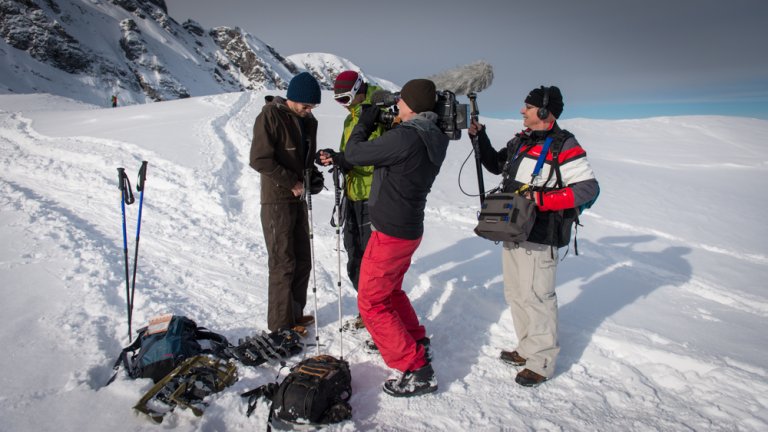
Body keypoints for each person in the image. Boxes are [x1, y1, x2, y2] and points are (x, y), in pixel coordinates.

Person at [320, 79, 448, 397]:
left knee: (371, 302)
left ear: (412, 105)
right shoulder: (434, 135)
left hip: (390, 231)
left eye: (401, 101)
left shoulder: (407, 137)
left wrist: (365, 120)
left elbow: (356, 152)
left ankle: (415, 368)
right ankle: (416, 338)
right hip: (408, 227)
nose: (397, 106)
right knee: (389, 292)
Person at [469, 85, 599, 387]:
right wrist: (480, 138)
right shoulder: (522, 141)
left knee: (538, 297)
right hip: (513, 228)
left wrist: (542, 200)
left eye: (527, 107)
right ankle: (526, 348)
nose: (521, 111)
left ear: (543, 112)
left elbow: (587, 189)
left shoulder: (564, 145)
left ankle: (541, 361)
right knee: (516, 294)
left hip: (541, 233)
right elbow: (495, 164)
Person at [249, 71, 324, 337]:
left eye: (313, 106)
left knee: (303, 259)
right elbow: (260, 159)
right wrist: (292, 182)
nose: (309, 110)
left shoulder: (308, 120)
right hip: (277, 200)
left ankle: (294, 315)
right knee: (283, 262)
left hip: (298, 199)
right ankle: (280, 326)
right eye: (306, 105)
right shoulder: (270, 116)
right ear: (293, 98)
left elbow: (304, 159)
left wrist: (313, 178)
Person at [321, 70, 387, 331]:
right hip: (353, 193)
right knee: (355, 256)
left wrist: (344, 159)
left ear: (360, 89)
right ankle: (367, 313)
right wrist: (335, 157)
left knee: (374, 264)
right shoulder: (352, 119)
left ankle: (380, 320)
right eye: (338, 100)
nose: (343, 105)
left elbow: (378, 154)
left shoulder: (378, 112)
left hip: (374, 196)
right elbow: (352, 153)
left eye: (346, 98)